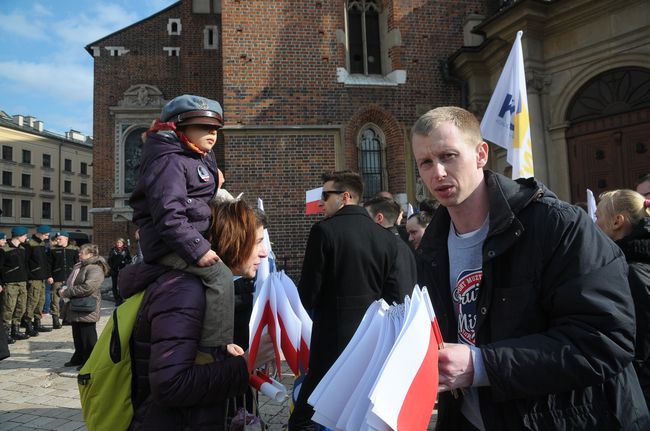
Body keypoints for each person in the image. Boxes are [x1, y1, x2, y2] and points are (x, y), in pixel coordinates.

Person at [412, 106, 649, 430]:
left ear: (481, 154)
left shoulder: (557, 225)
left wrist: (480, 365)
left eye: (448, 156)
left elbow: (607, 338)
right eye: (426, 162)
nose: (437, 172)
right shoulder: (431, 247)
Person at [118, 199, 271, 430]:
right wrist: (247, 364)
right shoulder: (183, 291)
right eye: (258, 242)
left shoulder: (199, 286)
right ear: (233, 240)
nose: (264, 252)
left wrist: (220, 355)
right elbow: (171, 386)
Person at [289, 171, 407, 431]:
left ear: (345, 197)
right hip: (373, 338)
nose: (321, 202)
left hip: (332, 336)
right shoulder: (386, 238)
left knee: (306, 413)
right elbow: (395, 294)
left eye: (325, 195)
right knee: (361, 408)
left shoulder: (324, 231)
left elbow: (308, 292)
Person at [129, 94, 235, 349]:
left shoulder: (196, 154)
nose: (212, 133)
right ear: (178, 126)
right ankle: (215, 347)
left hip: (190, 235)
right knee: (220, 276)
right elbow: (169, 213)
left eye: (215, 129)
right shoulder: (170, 160)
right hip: (169, 244)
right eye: (204, 127)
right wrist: (197, 250)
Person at [595, 189, 650, 408]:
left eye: (598, 216)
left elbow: (639, 347)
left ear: (618, 221)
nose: (594, 223)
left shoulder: (631, 273)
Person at [58, 244, 109, 369]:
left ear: (90, 254)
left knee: (87, 336)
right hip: (77, 304)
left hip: (87, 306)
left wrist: (67, 292)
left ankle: (90, 361)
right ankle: (79, 357)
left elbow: (88, 287)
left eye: (82, 252)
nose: (79, 254)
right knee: (77, 333)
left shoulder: (95, 268)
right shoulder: (80, 265)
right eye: (79, 252)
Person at [363, 196, 417, 288]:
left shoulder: (380, 247)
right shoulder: (404, 245)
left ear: (379, 218)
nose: (362, 223)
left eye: (365, 218)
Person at [0, 228, 30, 343]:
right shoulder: (4, 250)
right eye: (24, 235)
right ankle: (5, 333)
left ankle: (15, 330)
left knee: (21, 307)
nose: (26, 237)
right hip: (10, 283)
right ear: (18, 236)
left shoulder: (23, 249)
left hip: (22, 282)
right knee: (8, 308)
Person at [22, 225, 53, 335]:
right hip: (34, 277)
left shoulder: (42, 243)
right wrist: (29, 276)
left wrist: (48, 275)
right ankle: (27, 323)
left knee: (41, 300)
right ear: (40, 233)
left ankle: (37, 322)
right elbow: (25, 262)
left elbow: (45, 261)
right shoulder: (29, 244)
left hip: (42, 277)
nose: (48, 236)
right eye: (46, 234)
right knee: (32, 301)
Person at [47, 232, 79, 329]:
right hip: (57, 277)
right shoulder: (52, 250)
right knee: (55, 299)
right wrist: (49, 276)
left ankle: (67, 318)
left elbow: (77, 264)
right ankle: (55, 319)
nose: (57, 240)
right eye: (57, 239)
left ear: (66, 239)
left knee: (69, 299)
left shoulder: (74, 249)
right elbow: (48, 264)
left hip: (70, 278)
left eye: (60, 239)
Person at [107, 237, 132, 305]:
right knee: (114, 285)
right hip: (114, 270)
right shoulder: (113, 250)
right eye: (117, 242)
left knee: (121, 284)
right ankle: (117, 300)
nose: (118, 244)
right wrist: (112, 266)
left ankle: (121, 298)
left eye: (120, 242)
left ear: (123, 243)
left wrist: (125, 262)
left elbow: (130, 259)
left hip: (122, 270)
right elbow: (109, 260)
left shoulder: (126, 250)